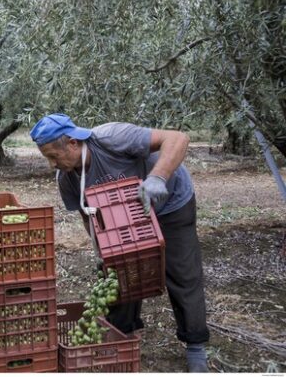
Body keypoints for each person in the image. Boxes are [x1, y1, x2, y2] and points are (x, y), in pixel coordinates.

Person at [30, 113, 210, 373]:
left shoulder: (112, 138)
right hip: (123, 217)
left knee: (182, 273)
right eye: (47, 157)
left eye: (53, 156)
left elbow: (178, 138)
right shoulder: (67, 179)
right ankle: (122, 334)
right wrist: (102, 249)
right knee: (120, 272)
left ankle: (195, 346)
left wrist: (158, 177)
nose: (51, 164)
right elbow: (88, 216)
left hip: (169, 203)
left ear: (71, 143)